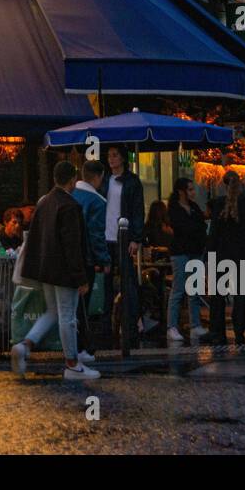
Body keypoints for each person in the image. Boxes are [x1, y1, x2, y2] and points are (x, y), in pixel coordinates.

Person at [11, 161, 99, 380]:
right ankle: (72, 365)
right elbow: (72, 245)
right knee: (67, 316)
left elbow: (35, 237)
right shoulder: (70, 206)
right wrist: (81, 277)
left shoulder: (44, 202)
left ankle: (25, 345)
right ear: (72, 180)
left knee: (53, 311)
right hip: (64, 272)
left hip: (45, 270)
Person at [200, 171, 245, 346]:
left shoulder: (218, 205)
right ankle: (239, 333)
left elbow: (213, 234)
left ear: (224, 185)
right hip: (244, 257)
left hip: (222, 256)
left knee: (218, 297)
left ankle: (218, 332)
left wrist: (207, 256)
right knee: (240, 296)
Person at [102, 146, 145, 346]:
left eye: (115, 155)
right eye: (109, 156)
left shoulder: (131, 182)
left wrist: (136, 238)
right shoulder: (105, 180)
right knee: (106, 282)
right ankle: (107, 325)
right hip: (106, 237)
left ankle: (131, 322)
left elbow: (137, 210)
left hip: (123, 237)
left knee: (128, 281)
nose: (111, 159)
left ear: (123, 158)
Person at [72, 161, 109, 359]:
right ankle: (82, 347)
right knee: (82, 306)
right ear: (98, 177)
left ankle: (75, 346)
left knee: (69, 306)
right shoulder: (97, 202)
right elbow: (96, 235)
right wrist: (104, 260)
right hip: (85, 259)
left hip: (67, 258)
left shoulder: (69, 194)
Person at [165, 177, 208, 343]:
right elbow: (184, 228)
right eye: (190, 189)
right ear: (181, 191)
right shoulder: (174, 209)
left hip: (195, 251)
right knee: (179, 288)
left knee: (195, 289)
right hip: (181, 252)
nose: (193, 192)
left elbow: (200, 227)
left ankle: (195, 324)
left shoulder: (194, 207)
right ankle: (172, 326)